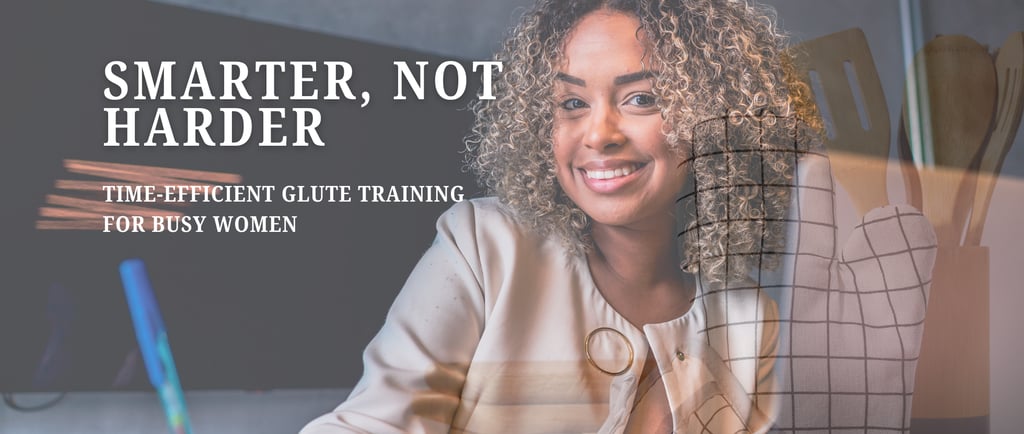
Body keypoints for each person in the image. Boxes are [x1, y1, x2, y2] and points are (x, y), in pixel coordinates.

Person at [301, 0, 812, 432]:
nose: (598, 134)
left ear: (719, 117)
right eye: (571, 102)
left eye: (642, 98)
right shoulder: (484, 246)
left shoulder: (750, 319)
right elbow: (372, 423)